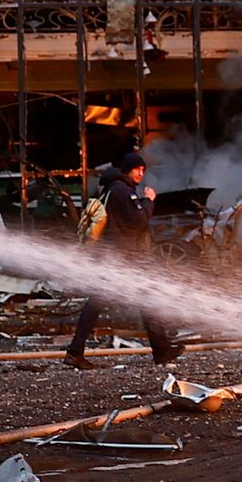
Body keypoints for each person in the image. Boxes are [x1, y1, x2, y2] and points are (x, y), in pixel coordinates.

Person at [62, 154, 184, 370]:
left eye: (143, 170)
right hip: (121, 258)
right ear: (127, 169)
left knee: (121, 301)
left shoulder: (112, 189)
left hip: (116, 257)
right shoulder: (122, 191)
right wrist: (148, 201)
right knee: (104, 302)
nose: (141, 173)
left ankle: (162, 350)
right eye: (137, 169)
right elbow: (137, 221)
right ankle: (75, 352)